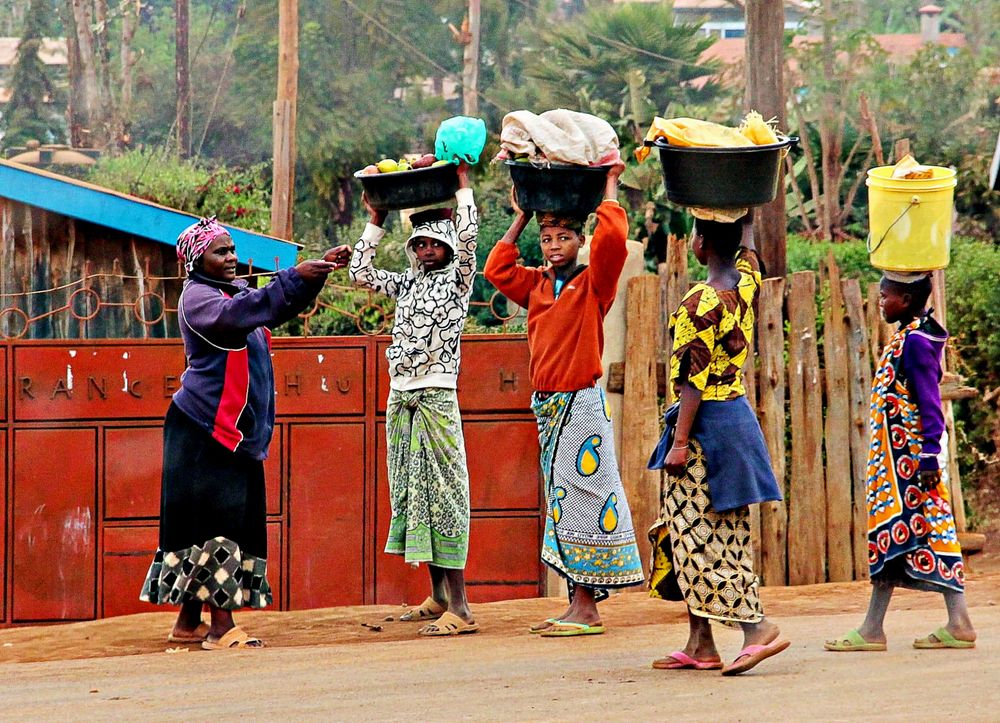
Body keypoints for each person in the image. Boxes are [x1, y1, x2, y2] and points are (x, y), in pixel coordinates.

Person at [140, 216, 351, 650]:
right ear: (199, 259)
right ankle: (221, 628)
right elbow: (245, 313)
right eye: (221, 251)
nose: (232, 257)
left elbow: (275, 305)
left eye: (233, 249)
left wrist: (316, 273)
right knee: (220, 523)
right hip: (204, 431)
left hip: (230, 432)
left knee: (208, 523)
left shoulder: (229, 290)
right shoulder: (200, 299)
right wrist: (294, 276)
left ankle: (187, 624)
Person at [484, 161, 644, 637]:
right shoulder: (534, 284)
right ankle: (579, 604)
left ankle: (587, 608)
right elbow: (497, 268)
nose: (553, 247)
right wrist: (521, 216)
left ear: (580, 241)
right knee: (563, 502)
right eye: (547, 240)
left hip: (581, 405)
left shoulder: (593, 284)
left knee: (584, 501)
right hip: (549, 405)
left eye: (563, 239)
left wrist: (609, 187)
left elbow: (613, 242)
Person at [646, 211, 788, 675]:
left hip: (705, 430)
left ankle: (756, 628)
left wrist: (681, 441)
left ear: (702, 242)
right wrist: (744, 209)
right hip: (736, 424)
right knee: (713, 534)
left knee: (696, 538)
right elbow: (750, 254)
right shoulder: (746, 283)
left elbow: (693, 377)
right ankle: (701, 642)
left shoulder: (699, 301)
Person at [349, 163, 479, 637]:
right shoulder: (407, 282)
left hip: (437, 395)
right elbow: (360, 271)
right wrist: (376, 219)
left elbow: (469, 241)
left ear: (449, 245)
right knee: (412, 491)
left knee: (445, 492)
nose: (426, 250)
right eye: (419, 244)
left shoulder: (458, 279)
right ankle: (439, 596)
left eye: (434, 243)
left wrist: (463, 188)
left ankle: (461, 607)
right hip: (400, 396)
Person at [825, 272, 976, 652]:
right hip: (897, 463)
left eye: (885, 295)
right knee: (911, 533)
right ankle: (949, 623)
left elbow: (929, 402)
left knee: (907, 532)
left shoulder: (915, 343)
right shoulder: (909, 335)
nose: (879, 301)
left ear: (906, 300)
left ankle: (881, 628)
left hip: (908, 464)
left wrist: (928, 453)